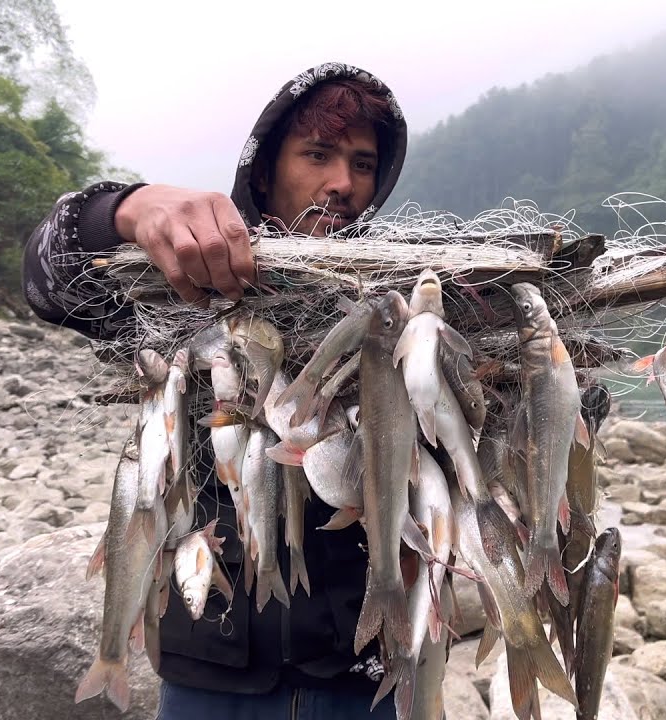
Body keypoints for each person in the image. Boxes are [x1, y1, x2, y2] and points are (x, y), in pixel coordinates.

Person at [22, 62, 410, 719]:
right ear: (262, 171)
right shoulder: (175, 286)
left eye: (363, 163)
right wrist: (131, 208)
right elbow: (44, 279)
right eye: (317, 154)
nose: (342, 183)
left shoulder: (395, 306)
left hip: (366, 672)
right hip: (211, 671)